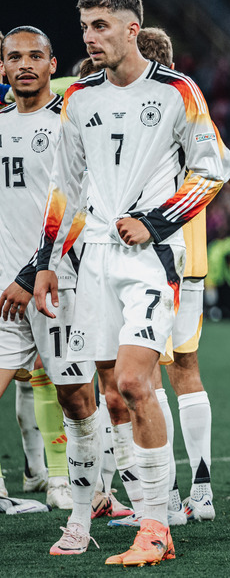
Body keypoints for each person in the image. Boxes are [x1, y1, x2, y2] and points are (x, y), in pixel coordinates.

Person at [30, 0, 230, 564]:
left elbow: (211, 170)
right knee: (112, 398)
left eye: (100, 25)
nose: (90, 37)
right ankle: (149, 515)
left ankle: (156, 527)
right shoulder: (79, 98)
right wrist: (47, 263)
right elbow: (65, 189)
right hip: (92, 257)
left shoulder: (177, 91)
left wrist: (156, 221)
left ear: (131, 28)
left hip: (150, 256)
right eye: (85, 27)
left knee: (134, 383)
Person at [0, 27, 93, 514]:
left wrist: (31, 270)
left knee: (75, 398)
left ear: (53, 65)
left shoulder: (68, 125)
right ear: (3, 67)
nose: (25, 65)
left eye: (35, 56)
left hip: (57, 284)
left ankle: (94, 491)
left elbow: (79, 210)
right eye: (15, 57)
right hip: (5, 291)